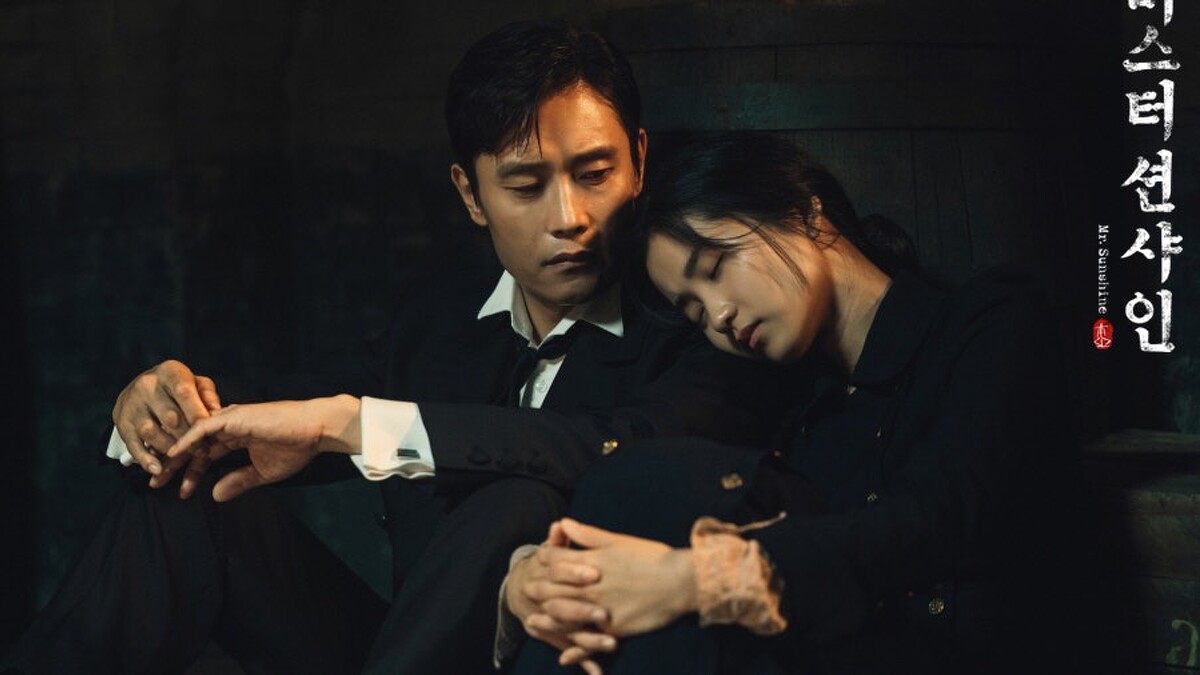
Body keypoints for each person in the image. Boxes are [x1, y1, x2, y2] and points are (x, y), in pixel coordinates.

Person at [3, 23, 791, 675]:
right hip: (401, 651)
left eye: (595, 173)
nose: (569, 217)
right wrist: (159, 410)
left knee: (513, 499)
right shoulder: (436, 326)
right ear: (469, 194)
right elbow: (291, 415)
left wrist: (353, 425)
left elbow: (601, 444)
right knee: (183, 501)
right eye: (525, 186)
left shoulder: (706, 322)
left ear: (640, 162)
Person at [502, 132, 1074, 674]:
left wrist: (696, 581)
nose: (719, 316)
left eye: (715, 269)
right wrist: (534, 574)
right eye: (695, 312)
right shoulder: (795, 412)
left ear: (804, 213)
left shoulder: (991, 322)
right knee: (630, 494)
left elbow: (935, 519)